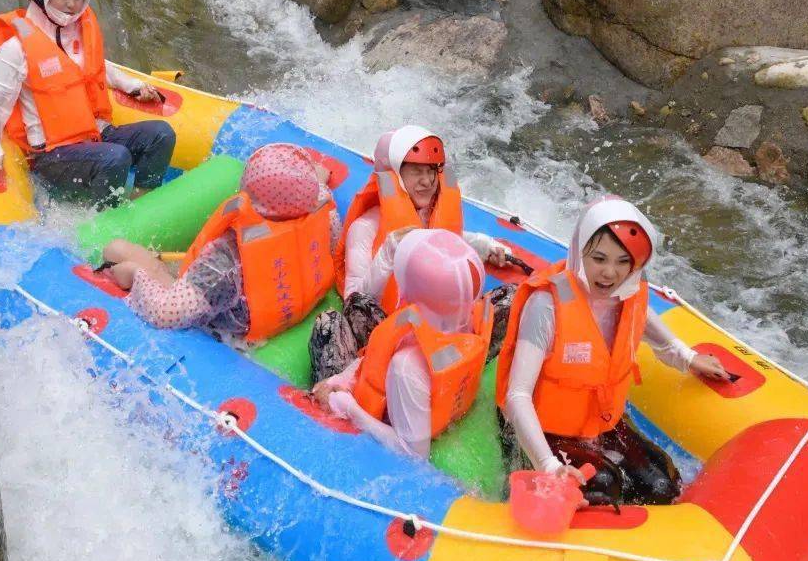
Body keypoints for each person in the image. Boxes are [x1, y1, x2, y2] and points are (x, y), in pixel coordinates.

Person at [496, 196, 731, 505]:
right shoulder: (547, 306)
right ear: (580, 254)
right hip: (544, 428)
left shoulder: (629, 296)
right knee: (603, 485)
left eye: (623, 262)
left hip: (600, 421)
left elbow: (646, 323)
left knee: (662, 484)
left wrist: (688, 358)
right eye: (599, 258)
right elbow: (517, 396)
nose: (610, 273)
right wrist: (549, 466)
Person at [311, 125, 513, 385]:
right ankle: (354, 386)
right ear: (395, 176)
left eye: (431, 171)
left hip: (439, 325)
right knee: (328, 324)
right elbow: (355, 302)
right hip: (389, 331)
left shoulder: (430, 213)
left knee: (512, 296)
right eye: (416, 171)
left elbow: (450, 238)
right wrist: (389, 253)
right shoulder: (365, 228)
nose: (427, 181)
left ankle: (453, 363)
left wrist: (486, 247)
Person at [0, 0, 175, 205]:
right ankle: (105, 221)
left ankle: (142, 203)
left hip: (94, 134)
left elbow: (96, 68)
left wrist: (133, 86)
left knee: (161, 134)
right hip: (52, 154)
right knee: (116, 158)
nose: (71, 4)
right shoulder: (16, 48)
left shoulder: (78, 34)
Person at [103, 143, 338, 341]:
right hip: (287, 302)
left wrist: (137, 275)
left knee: (115, 250)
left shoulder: (226, 259)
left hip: (230, 319)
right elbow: (319, 190)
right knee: (119, 251)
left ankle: (146, 268)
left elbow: (167, 313)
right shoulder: (323, 212)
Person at [313, 229, 493, 461]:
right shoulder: (470, 317)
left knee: (326, 325)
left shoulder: (407, 366)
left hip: (388, 413)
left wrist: (349, 408)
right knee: (360, 311)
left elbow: (414, 455)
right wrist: (344, 378)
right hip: (443, 403)